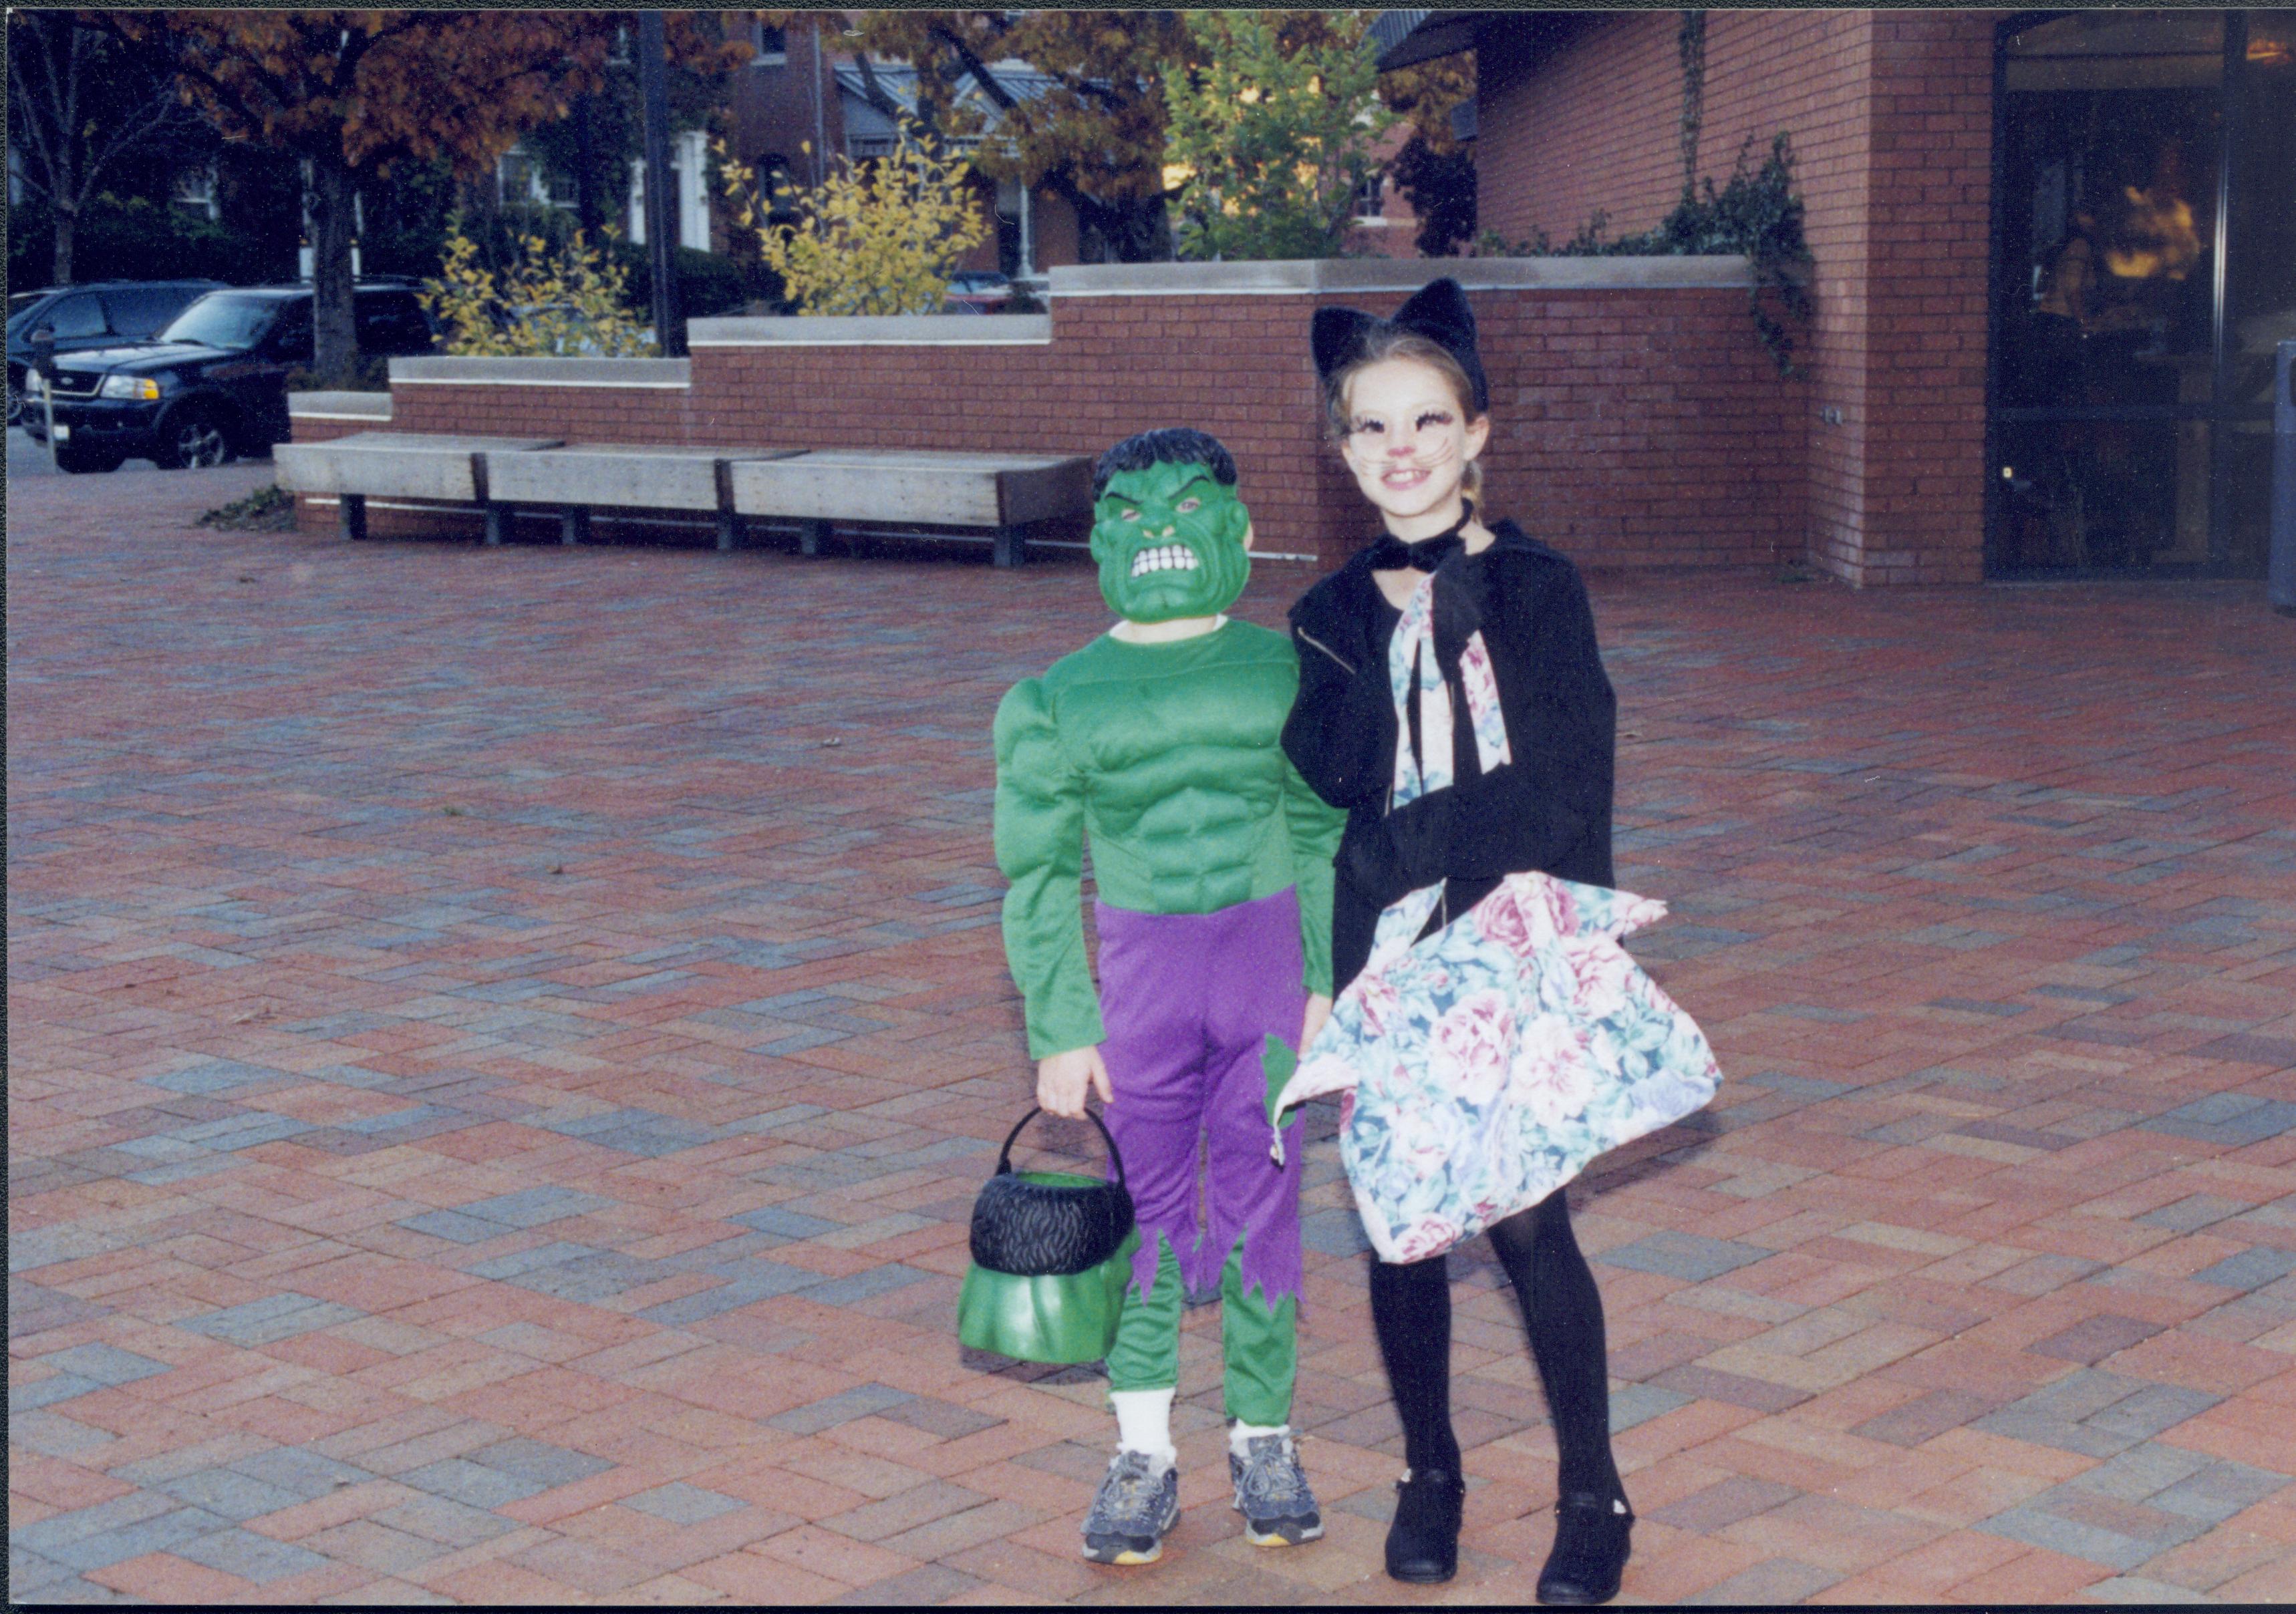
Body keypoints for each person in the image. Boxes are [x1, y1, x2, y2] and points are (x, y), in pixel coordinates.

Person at [1281, 280, 1634, 1605]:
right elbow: (1329, 778)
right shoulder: (1327, 609)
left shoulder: (1537, 589)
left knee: (1529, 1219)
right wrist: (1328, 975)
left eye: (1427, 420)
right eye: (1370, 428)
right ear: (1343, 447)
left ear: (1477, 431)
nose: (1401, 449)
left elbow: (1561, 785)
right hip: (1389, 958)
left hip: (1511, 937)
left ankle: (1592, 1487)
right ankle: (1428, 1468)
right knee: (1397, 1228)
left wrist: (1401, 844)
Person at [992, 428, 1346, 1566]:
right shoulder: (1057, 700)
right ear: (1100, 536)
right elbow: (1037, 873)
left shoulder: (1288, 669)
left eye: (1186, 508)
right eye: (1134, 515)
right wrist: (1060, 1024)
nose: (1160, 533)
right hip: (1141, 988)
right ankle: (1143, 1449)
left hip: (1265, 976)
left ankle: (1264, 1435)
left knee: (1263, 1212)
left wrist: (1328, 984)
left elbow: (1322, 829)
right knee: (1144, 1222)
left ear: (1237, 529)